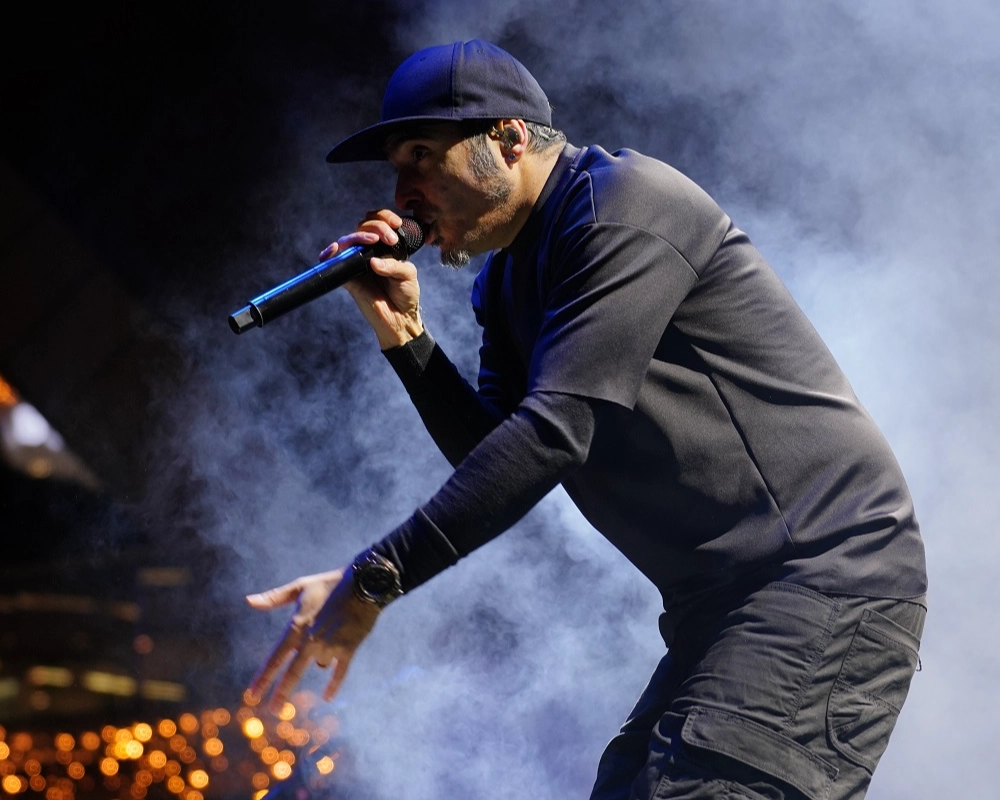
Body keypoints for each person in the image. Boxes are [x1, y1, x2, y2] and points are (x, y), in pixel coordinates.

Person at [245, 39, 927, 800]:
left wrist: (373, 580)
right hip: (718, 610)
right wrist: (405, 336)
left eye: (421, 156)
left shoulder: (624, 206)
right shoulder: (506, 278)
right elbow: (499, 455)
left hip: (821, 581)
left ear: (508, 138)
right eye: (397, 168)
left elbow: (552, 435)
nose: (404, 192)